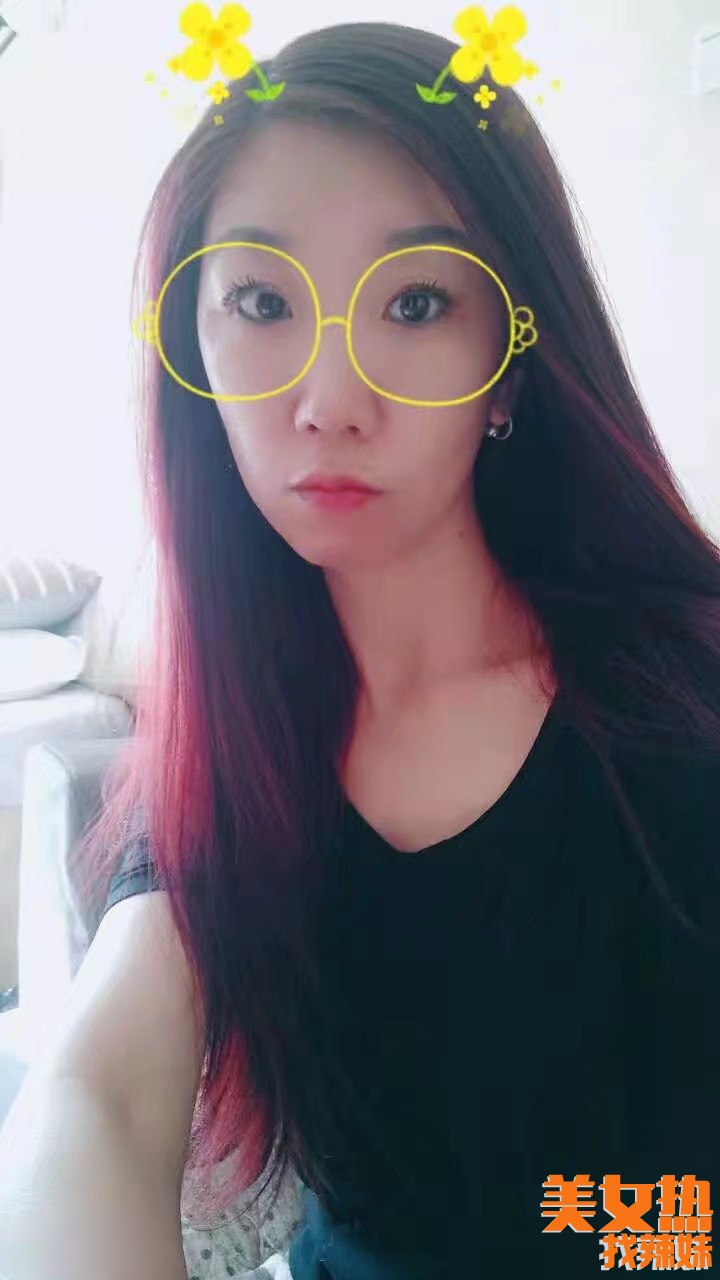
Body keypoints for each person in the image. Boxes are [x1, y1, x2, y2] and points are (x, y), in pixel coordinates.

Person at [1, 18, 719, 1280]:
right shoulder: (231, 740)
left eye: (417, 302)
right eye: (263, 302)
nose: (329, 398)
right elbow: (98, 1094)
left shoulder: (682, 701)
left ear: (511, 363)